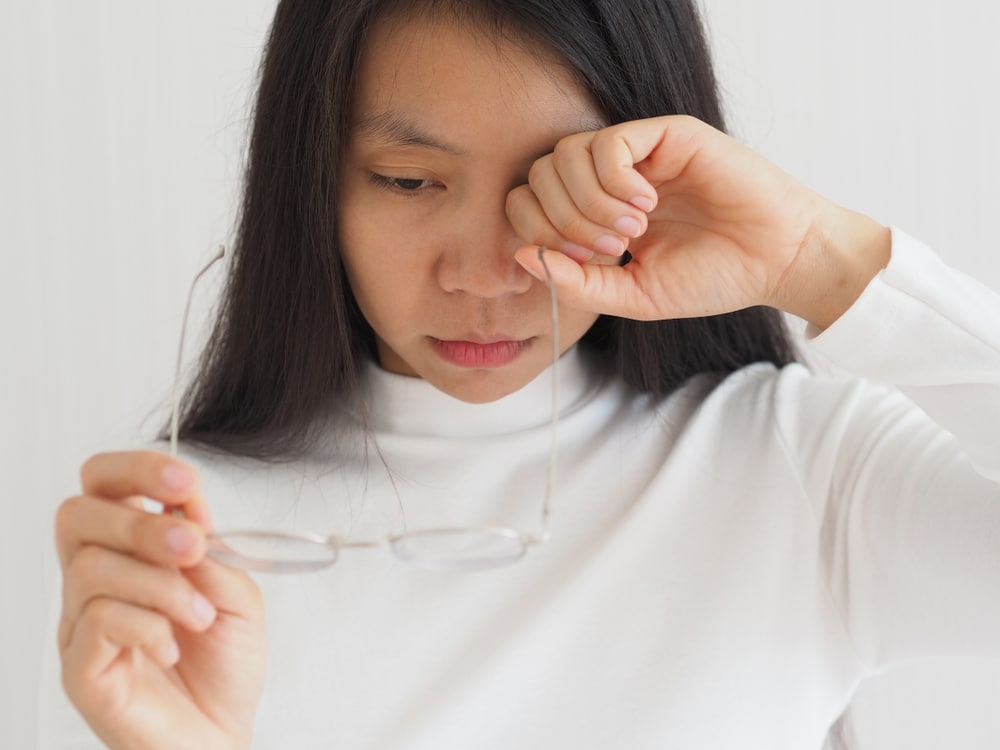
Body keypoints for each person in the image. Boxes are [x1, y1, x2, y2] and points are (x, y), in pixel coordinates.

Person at [44, 0, 1000, 748]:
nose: (483, 273)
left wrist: (816, 256)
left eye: (553, 183)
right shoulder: (194, 550)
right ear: (312, 183)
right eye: (409, 182)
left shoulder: (797, 471)